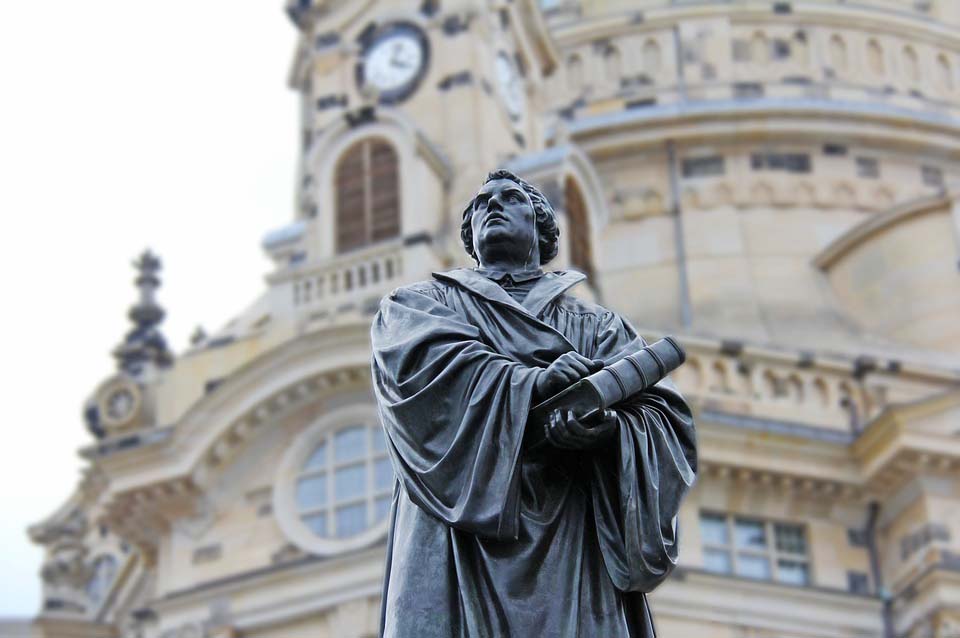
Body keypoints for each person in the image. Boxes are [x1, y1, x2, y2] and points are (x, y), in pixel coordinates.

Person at [371, 169, 697, 637]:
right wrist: (532, 383)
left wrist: (607, 432)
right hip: (456, 535)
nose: (493, 206)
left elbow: (662, 417)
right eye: (481, 204)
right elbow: (420, 369)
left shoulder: (598, 325)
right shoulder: (420, 305)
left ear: (542, 227)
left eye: (510, 199)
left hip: (571, 533)